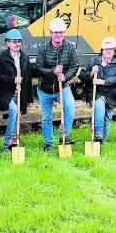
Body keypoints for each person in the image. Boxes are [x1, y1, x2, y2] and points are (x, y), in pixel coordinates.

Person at [36, 18, 79, 151]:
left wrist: (65, 77)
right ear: (51, 33)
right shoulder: (43, 48)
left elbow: (74, 65)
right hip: (45, 89)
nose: (58, 35)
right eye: (55, 33)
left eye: (61, 32)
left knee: (70, 108)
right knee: (46, 118)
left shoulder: (71, 47)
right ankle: (49, 143)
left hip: (63, 87)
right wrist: (53, 72)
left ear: (64, 33)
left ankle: (63, 136)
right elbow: (39, 68)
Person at [79, 36, 116, 143]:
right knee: (99, 104)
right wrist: (91, 73)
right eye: (106, 49)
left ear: (115, 50)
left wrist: (103, 81)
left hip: (111, 95)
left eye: (111, 49)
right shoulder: (94, 61)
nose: (108, 51)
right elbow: (81, 75)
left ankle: (100, 142)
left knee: (107, 119)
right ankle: (98, 132)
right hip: (95, 93)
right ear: (102, 50)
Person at [0, 28, 33, 152]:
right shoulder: (0, 57)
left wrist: (29, 99)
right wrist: (13, 79)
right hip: (6, 93)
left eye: (19, 42)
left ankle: (13, 143)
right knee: (14, 111)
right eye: (14, 42)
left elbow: (28, 79)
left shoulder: (25, 58)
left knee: (16, 116)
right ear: (8, 43)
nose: (17, 44)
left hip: (20, 93)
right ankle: (7, 144)